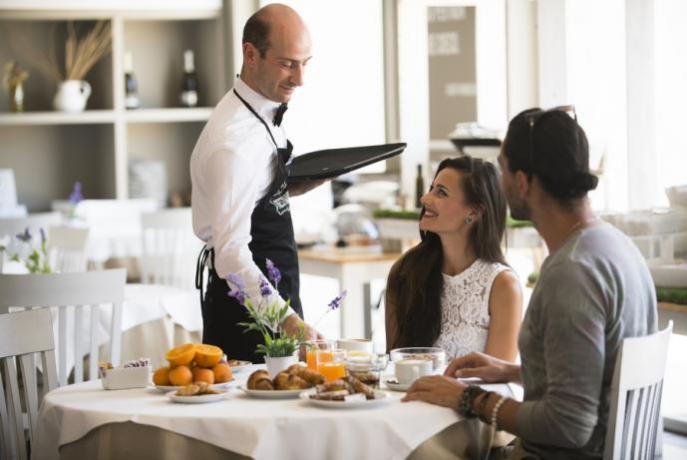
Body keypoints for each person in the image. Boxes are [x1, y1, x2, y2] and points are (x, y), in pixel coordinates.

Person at [402, 106, 658, 459]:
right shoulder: (617, 246)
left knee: (412, 453)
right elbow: (595, 376)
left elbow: (568, 425)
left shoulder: (572, 272)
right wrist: (513, 372)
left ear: (521, 182)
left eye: (502, 169)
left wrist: (467, 398)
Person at [191, 4, 323, 363]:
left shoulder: (261, 110)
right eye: (287, 64)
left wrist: (289, 187)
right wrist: (288, 322)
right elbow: (231, 255)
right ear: (251, 55)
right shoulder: (230, 142)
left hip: (276, 292)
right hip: (246, 316)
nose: (299, 79)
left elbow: (249, 195)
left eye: (304, 63)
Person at [385, 156, 522, 361]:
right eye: (432, 188)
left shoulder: (502, 286)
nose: (425, 199)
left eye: (441, 192)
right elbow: (393, 366)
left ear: (474, 212)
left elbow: (497, 380)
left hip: (473, 394)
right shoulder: (404, 271)